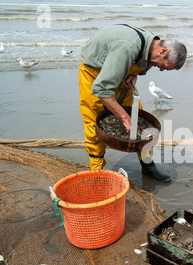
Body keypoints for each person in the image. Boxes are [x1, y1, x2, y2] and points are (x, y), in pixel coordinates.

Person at [79, 24, 187, 182]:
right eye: (162, 66)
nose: (160, 70)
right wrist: (124, 117)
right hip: (95, 75)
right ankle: (96, 172)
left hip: (121, 75)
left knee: (139, 118)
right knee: (94, 124)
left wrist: (134, 74)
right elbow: (101, 89)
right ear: (163, 51)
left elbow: (142, 63)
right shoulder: (127, 48)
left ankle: (148, 166)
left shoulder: (153, 46)